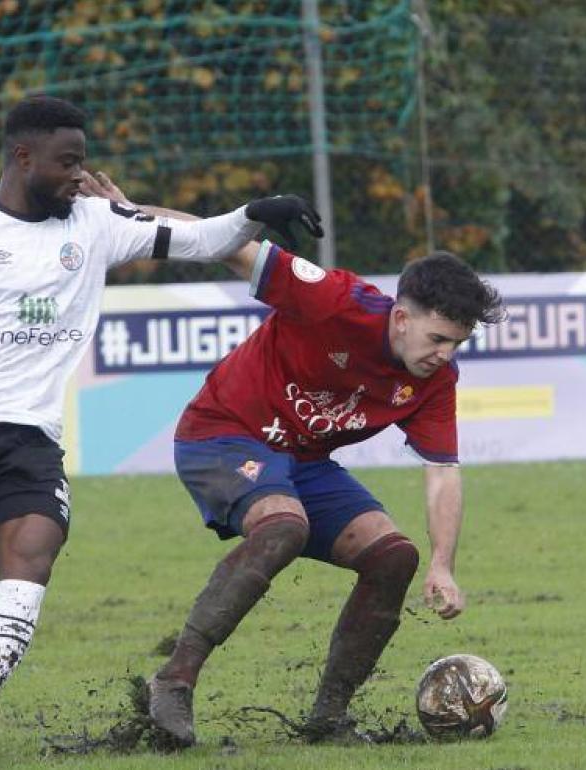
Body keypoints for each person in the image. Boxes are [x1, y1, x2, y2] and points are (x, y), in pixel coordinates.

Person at [0, 95, 321, 765]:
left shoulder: (97, 224)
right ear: (23, 158)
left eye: (83, 160)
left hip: (31, 441)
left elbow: (198, 240)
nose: (82, 175)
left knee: (30, 566)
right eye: (67, 162)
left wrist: (256, 212)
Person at [85, 173, 505, 746]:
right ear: (402, 318)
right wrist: (130, 213)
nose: (444, 355)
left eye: (456, 343)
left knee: (393, 557)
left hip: (300, 462)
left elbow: (442, 474)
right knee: (284, 525)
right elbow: (224, 243)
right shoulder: (332, 299)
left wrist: (442, 564)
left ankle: (328, 718)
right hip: (222, 434)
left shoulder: (436, 380)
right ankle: (174, 680)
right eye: (437, 339)